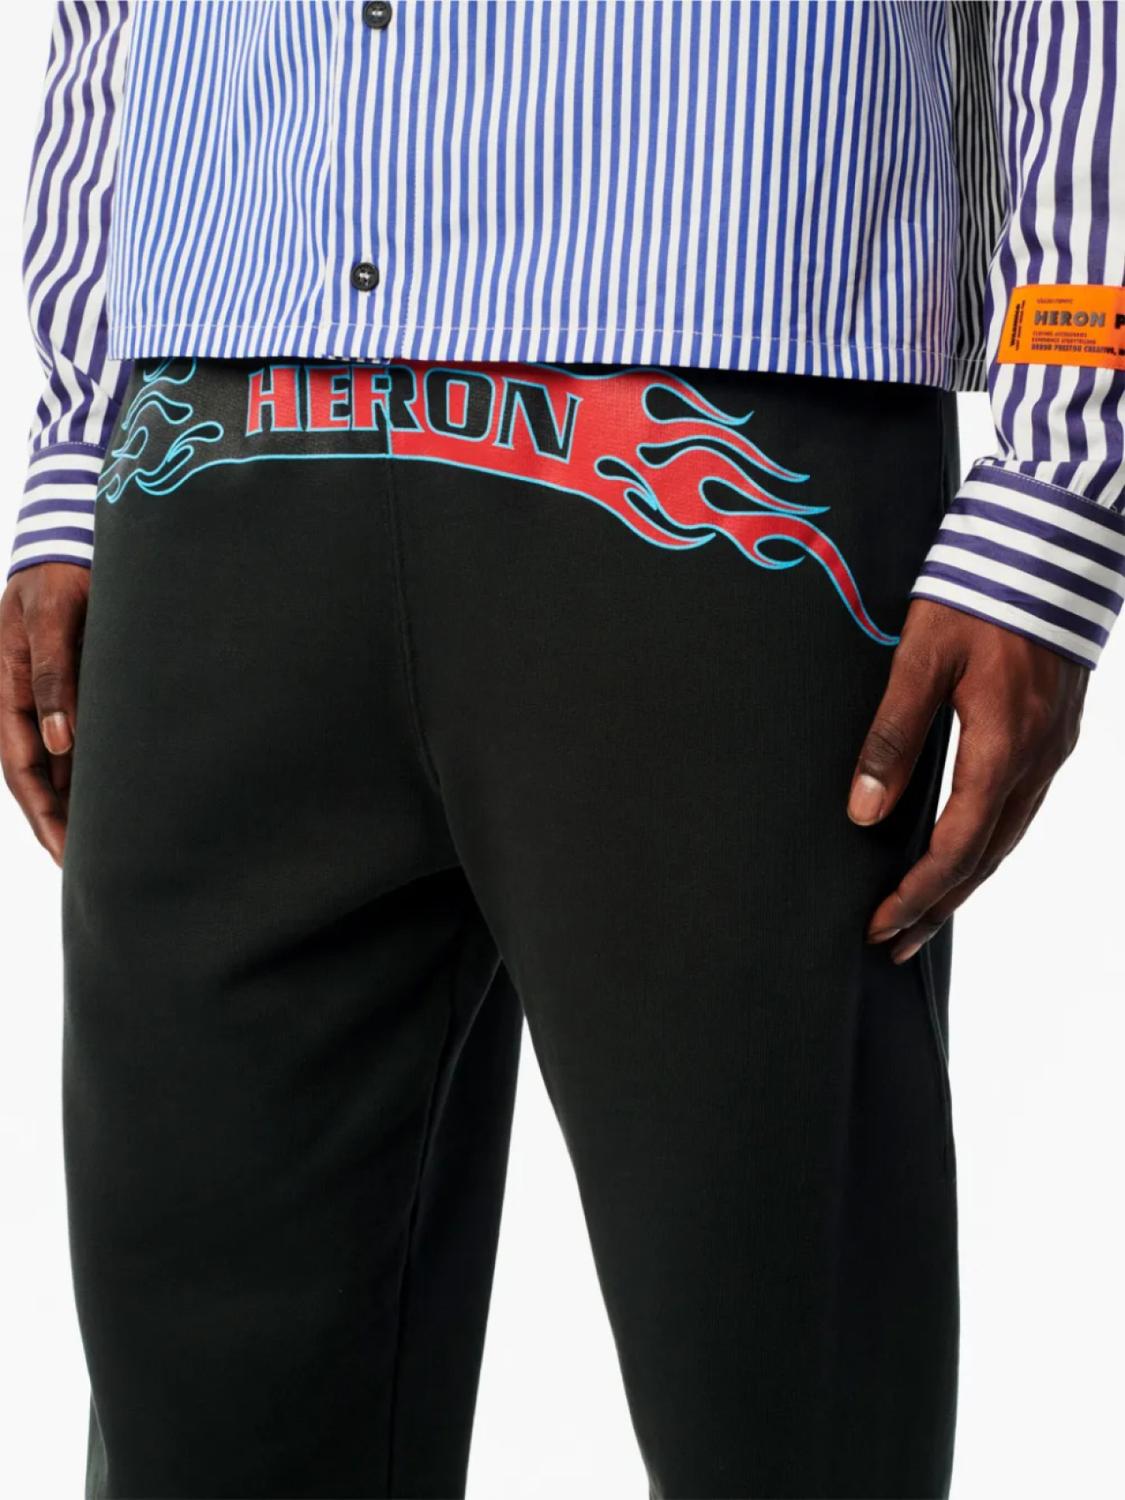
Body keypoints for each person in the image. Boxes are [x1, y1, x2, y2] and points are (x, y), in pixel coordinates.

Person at [1, 3, 1120, 1497]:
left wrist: (1059, 470)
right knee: (198, 1419)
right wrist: (76, 440)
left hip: (718, 425)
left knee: (780, 1401)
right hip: (211, 429)